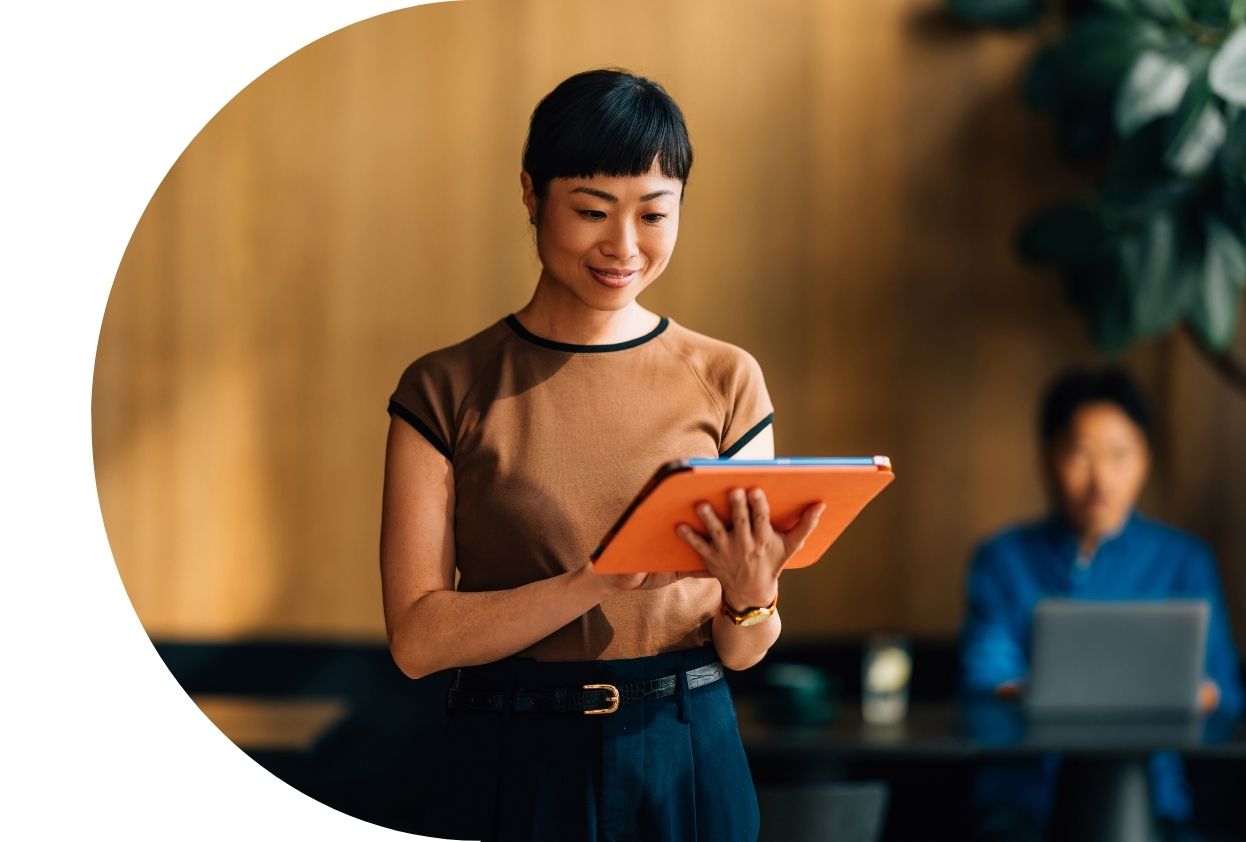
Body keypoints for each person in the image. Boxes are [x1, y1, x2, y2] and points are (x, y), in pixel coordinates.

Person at [379, 68, 825, 842]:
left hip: (689, 744)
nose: (623, 246)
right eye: (591, 210)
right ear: (530, 193)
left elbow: (745, 650)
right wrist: (596, 580)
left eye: (654, 214)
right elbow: (418, 641)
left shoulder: (726, 379)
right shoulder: (444, 386)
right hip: (508, 753)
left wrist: (755, 597)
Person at [959, 366, 1244, 841]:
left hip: (1151, 802)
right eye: (1080, 455)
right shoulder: (1002, 559)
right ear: (1046, 458)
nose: (1101, 480)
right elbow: (984, 679)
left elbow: (1223, 691)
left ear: (1146, 459)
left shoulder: (1183, 561)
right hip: (1024, 806)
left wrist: (1191, 694)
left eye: (1120, 455)